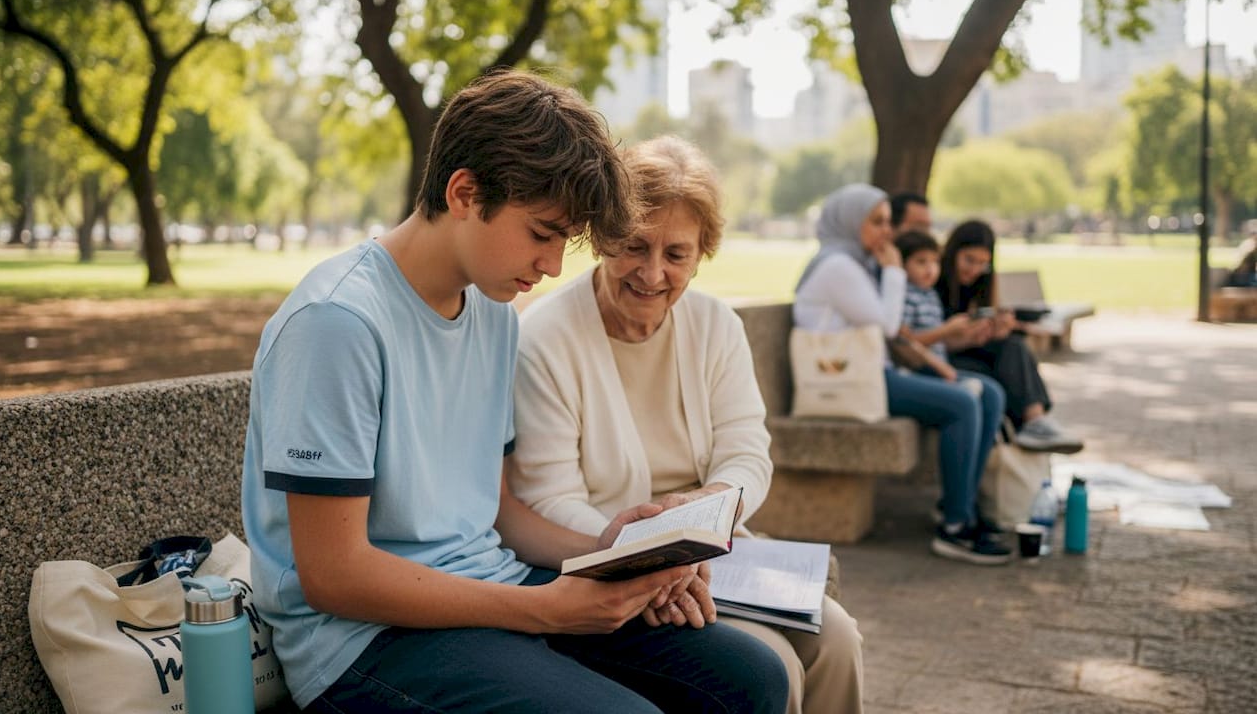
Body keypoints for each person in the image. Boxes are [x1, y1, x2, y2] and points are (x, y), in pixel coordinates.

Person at [240, 71, 788, 714]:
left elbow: (499, 511)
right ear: (465, 192)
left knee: (751, 679)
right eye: (542, 232)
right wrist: (544, 611)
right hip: (366, 643)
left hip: (493, 587)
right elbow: (335, 576)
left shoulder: (493, 309)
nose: (554, 266)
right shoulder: (338, 323)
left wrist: (617, 554)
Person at [510, 135, 865, 713]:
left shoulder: (715, 325)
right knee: (775, 666)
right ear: (602, 238)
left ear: (701, 254)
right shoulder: (545, 340)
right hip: (606, 561)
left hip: (714, 557)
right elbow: (548, 498)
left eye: (676, 255)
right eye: (634, 246)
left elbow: (748, 453)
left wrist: (712, 503)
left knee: (840, 639)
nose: (652, 274)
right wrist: (649, 556)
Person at [793, 183, 1010, 565]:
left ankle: (958, 509)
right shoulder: (837, 267)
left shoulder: (854, 263)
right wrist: (894, 270)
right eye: (877, 222)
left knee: (989, 393)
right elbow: (889, 325)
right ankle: (955, 530)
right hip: (851, 381)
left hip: (875, 374)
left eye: (889, 222)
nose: (887, 232)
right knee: (962, 403)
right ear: (850, 222)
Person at [935, 219, 1084, 454]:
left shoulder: (981, 282)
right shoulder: (934, 278)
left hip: (970, 349)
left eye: (983, 263)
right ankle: (1034, 422)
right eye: (969, 260)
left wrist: (996, 328)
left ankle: (1035, 422)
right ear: (954, 252)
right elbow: (931, 339)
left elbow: (982, 322)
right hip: (940, 356)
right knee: (1007, 363)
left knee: (1013, 346)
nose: (974, 270)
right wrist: (968, 335)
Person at [893, 229, 977, 387]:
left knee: (992, 392)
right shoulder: (905, 296)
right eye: (921, 262)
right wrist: (946, 329)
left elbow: (938, 341)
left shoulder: (930, 294)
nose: (930, 269)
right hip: (919, 368)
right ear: (902, 264)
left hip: (940, 366)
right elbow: (906, 343)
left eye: (935, 262)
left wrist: (970, 335)